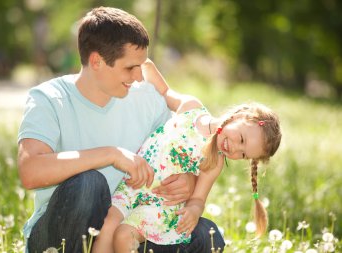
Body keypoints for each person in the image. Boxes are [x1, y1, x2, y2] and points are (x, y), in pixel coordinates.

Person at [17, 6, 225, 253]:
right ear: (97, 61)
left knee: (207, 237)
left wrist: (187, 182)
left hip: (126, 231)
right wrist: (110, 154)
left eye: (141, 66)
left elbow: (175, 152)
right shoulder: (50, 98)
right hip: (60, 236)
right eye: (130, 68)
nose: (139, 77)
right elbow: (30, 171)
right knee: (89, 184)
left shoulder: (147, 98)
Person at [92, 60, 282, 253]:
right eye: (240, 139)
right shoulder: (192, 108)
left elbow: (199, 198)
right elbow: (165, 92)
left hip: (160, 207)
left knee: (123, 236)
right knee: (107, 227)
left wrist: (193, 210)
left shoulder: (214, 162)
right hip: (132, 186)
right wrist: (148, 67)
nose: (234, 149)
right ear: (239, 116)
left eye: (242, 154)